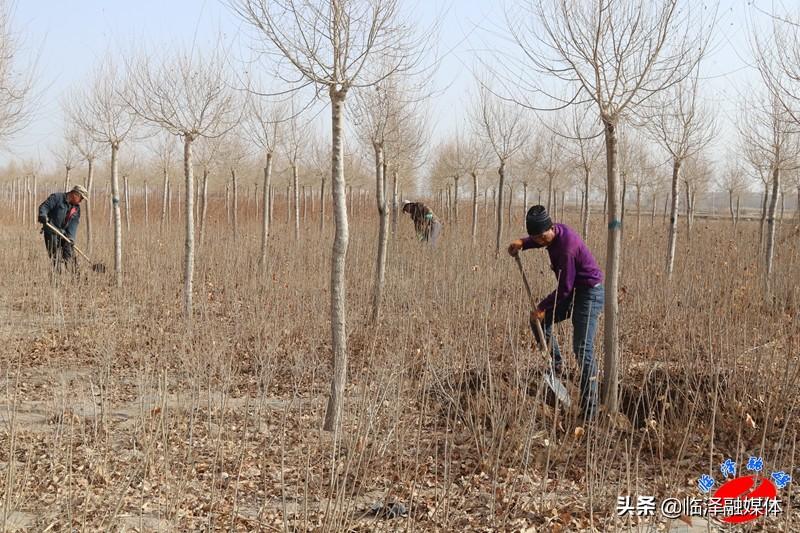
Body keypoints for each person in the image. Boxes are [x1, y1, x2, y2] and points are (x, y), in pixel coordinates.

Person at [508, 205, 604, 419]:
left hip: (589, 293)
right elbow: (539, 237)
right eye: (536, 238)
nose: (540, 242)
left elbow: (564, 289)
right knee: (537, 322)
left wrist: (543, 307)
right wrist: (523, 243)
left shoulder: (566, 248)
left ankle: (591, 407)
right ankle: (556, 366)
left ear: (551, 228)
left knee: (582, 347)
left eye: (542, 238)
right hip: (573, 291)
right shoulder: (553, 233)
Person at [38, 185, 89, 271]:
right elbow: (44, 207)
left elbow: (73, 224)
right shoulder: (57, 198)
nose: (81, 201)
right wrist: (43, 215)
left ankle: (76, 279)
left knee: (71, 257)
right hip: (51, 231)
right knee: (56, 257)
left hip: (64, 234)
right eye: (81, 198)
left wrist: (71, 238)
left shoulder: (76, 209)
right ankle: (56, 281)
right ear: (75, 194)